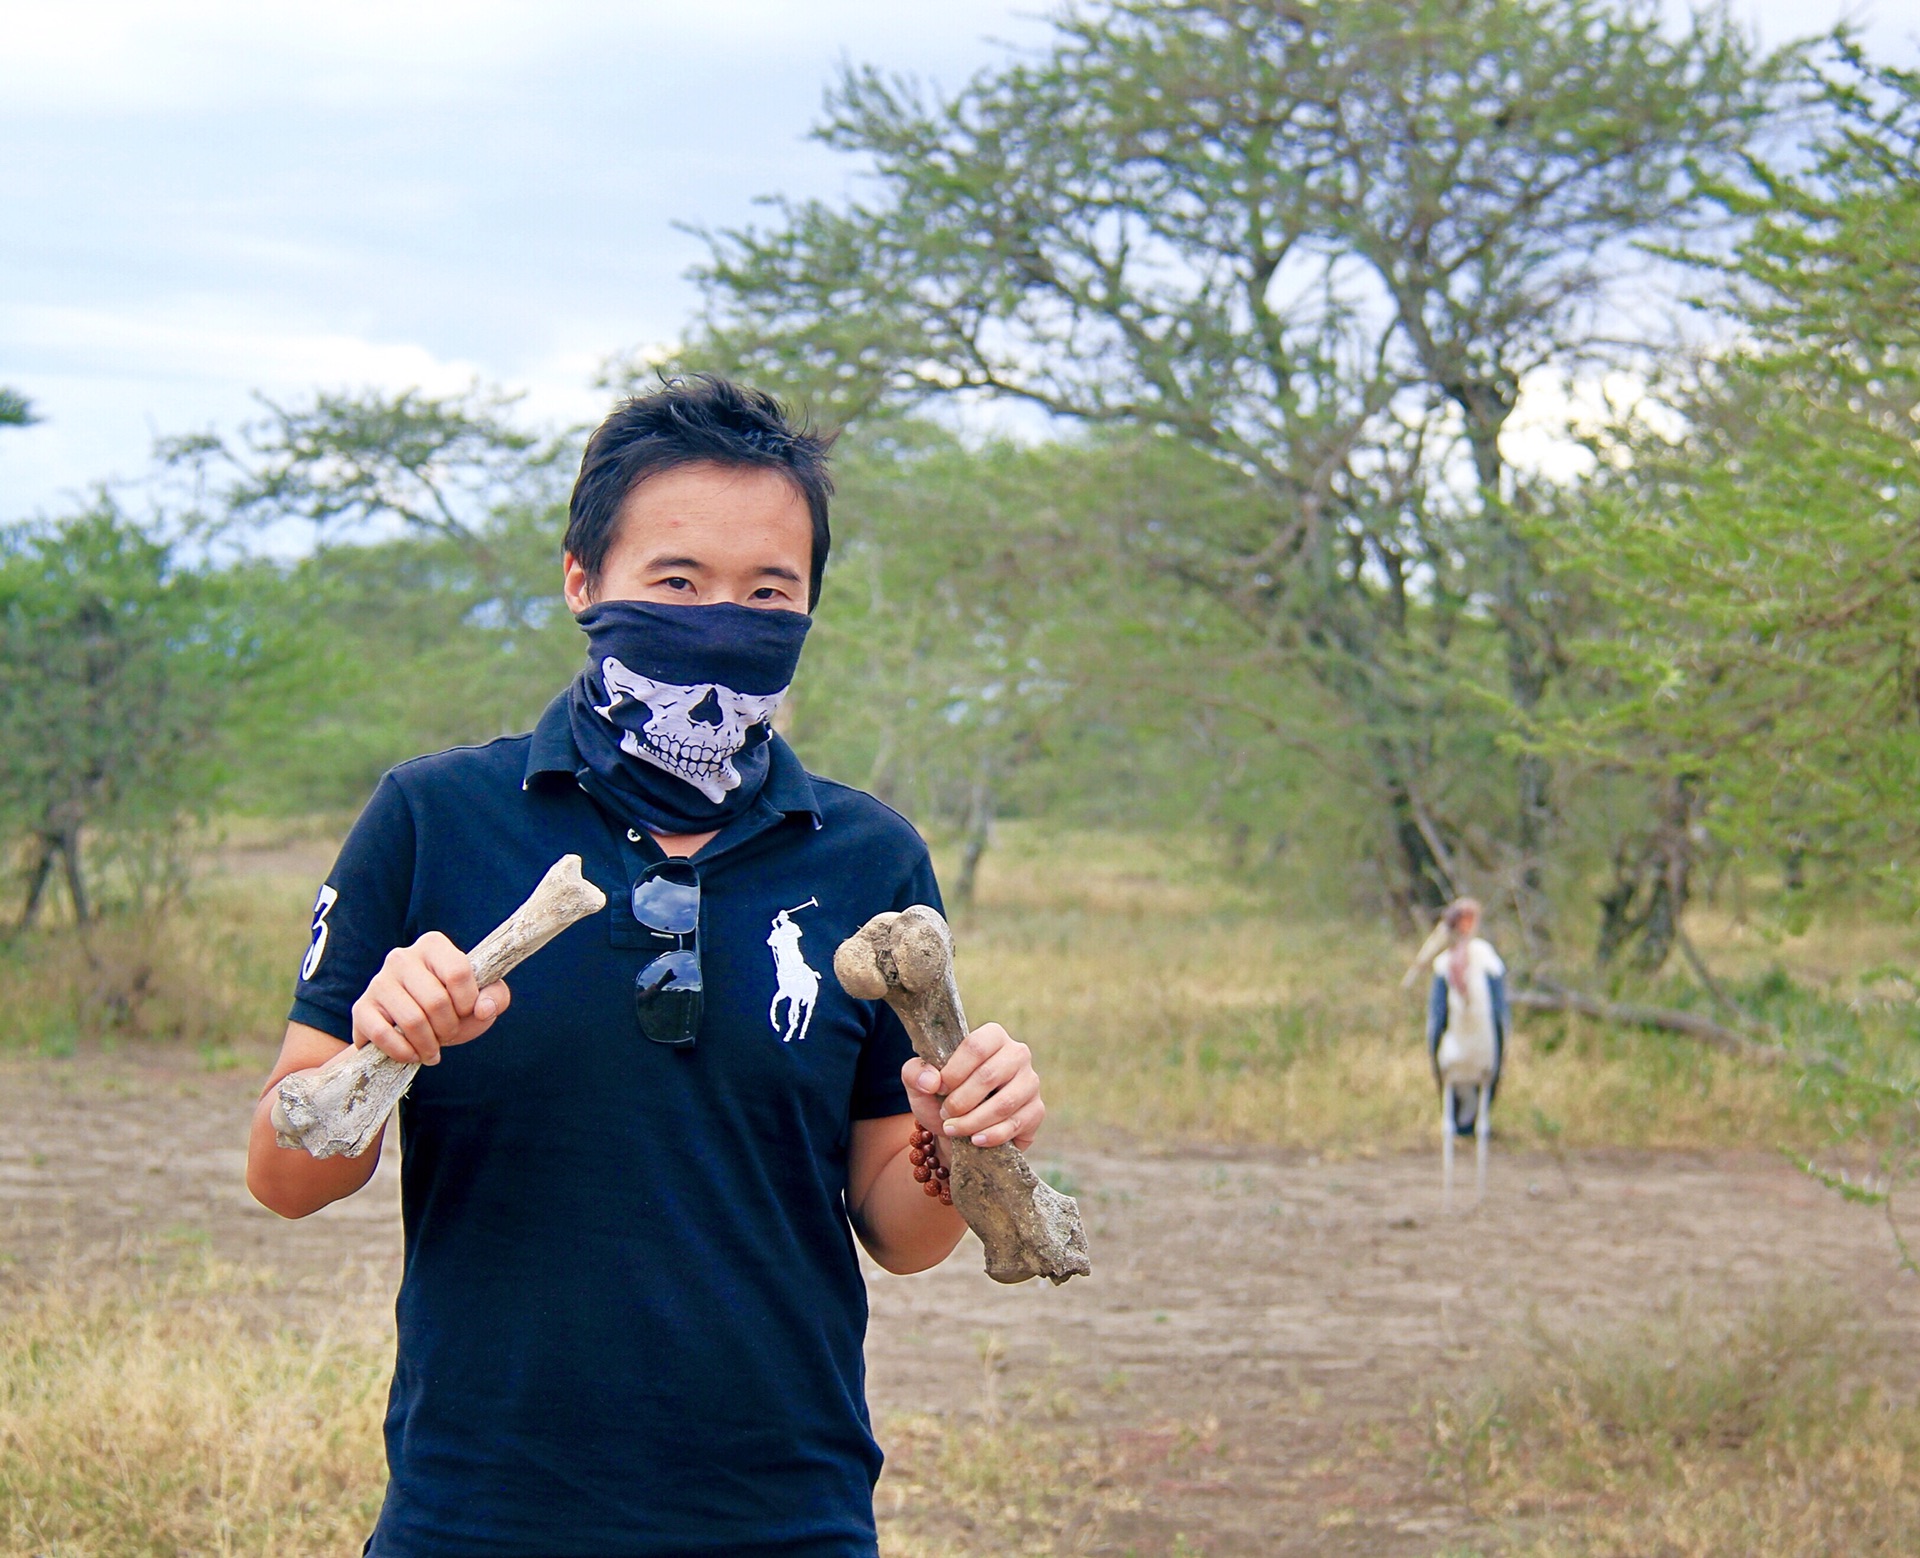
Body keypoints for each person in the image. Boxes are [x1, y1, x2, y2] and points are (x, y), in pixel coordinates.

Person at [244, 375, 1049, 1558]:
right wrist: (381, 1048)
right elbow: (284, 1174)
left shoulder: (870, 857)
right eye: (676, 581)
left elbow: (902, 1227)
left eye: (769, 590)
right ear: (583, 580)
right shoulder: (433, 821)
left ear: (810, 605)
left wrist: (962, 1137)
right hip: (479, 1507)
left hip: (788, 1508)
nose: (725, 617)